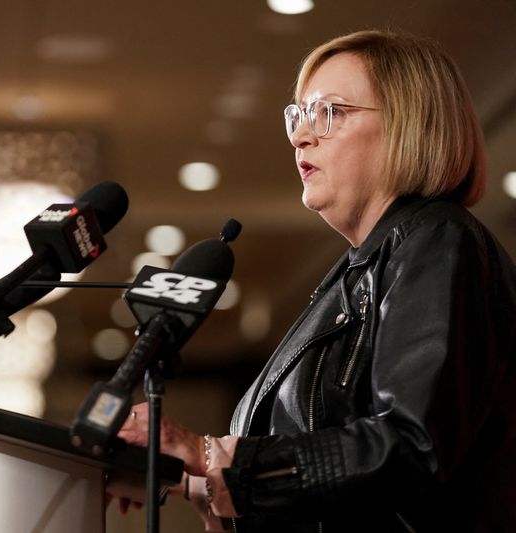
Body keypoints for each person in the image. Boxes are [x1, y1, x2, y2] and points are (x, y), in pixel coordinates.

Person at [118, 30, 516, 532]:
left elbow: (413, 449)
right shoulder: (358, 269)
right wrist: (188, 476)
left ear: (409, 125)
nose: (301, 135)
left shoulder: (439, 240)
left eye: (331, 112)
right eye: (299, 115)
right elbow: (330, 477)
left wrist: (211, 454)